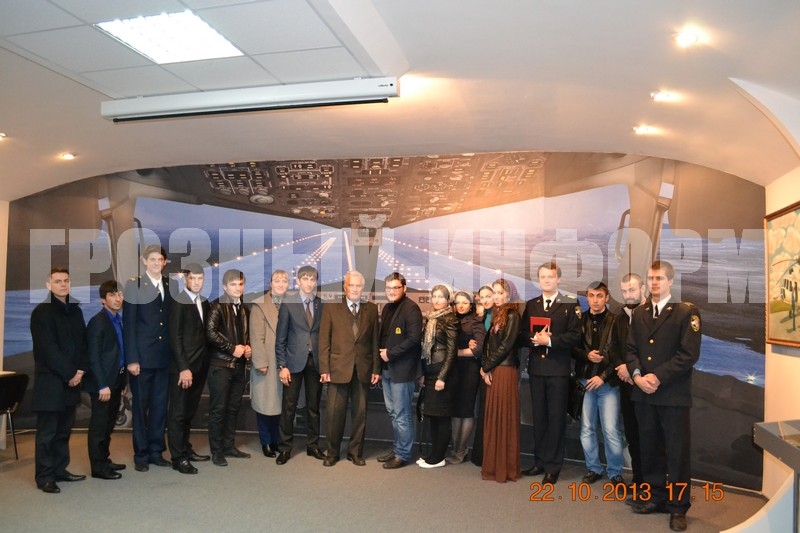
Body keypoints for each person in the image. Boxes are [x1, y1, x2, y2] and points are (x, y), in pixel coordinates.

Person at [626, 261, 701, 532]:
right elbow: (631, 350)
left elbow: (688, 355)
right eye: (651, 278)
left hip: (672, 395)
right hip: (644, 394)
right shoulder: (640, 312)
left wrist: (657, 376)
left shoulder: (686, 312)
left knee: (677, 454)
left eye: (659, 278)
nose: (654, 283)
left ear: (671, 281)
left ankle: (678, 507)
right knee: (649, 449)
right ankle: (655, 497)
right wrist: (637, 376)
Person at [520, 261, 582, 484]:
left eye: (550, 276)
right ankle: (539, 461)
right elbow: (522, 334)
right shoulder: (532, 304)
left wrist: (551, 341)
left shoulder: (570, 302)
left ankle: (553, 467)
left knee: (556, 419)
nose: (546, 280)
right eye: (543, 277)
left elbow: (575, 336)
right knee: (539, 417)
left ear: (558, 279)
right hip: (537, 369)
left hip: (558, 370)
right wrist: (535, 339)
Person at [30, 267, 88, 493]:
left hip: (72, 381)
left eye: (66, 281)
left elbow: (83, 343)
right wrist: (70, 374)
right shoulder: (41, 312)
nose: (63, 284)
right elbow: (48, 350)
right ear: (49, 285)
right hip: (51, 382)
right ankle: (45, 476)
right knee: (47, 433)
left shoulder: (76, 311)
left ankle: (60, 470)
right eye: (58, 281)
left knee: (64, 430)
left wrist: (80, 370)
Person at [319, 270, 380, 466]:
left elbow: (374, 342)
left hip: (363, 369)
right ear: (345, 287)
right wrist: (324, 369)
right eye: (351, 285)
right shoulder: (331, 307)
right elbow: (324, 341)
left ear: (363, 288)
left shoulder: (371, 309)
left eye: (358, 285)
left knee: (360, 414)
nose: (354, 289)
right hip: (337, 369)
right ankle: (332, 452)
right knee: (334, 414)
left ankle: (355, 452)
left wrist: (376, 369)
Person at [123, 244, 173, 472]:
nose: (156, 263)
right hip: (141, 360)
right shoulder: (134, 285)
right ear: (144, 261)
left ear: (164, 262)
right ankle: (141, 455)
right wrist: (132, 359)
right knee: (141, 409)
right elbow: (129, 324)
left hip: (163, 358)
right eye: (152, 259)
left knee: (160, 407)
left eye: (159, 259)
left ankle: (156, 451)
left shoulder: (170, 285)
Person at [573, 281, 624, 485]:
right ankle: (593, 468)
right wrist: (585, 355)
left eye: (599, 296)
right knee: (586, 428)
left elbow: (620, 354)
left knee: (611, 430)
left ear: (607, 297)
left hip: (608, 384)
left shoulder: (616, 321)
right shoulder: (579, 320)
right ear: (587, 297)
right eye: (591, 296)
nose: (595, 300)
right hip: (585, 381)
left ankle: (615, 472)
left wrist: (602, 377)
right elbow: (572, 348)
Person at [274, 266, 326, 464]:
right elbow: (280, 339)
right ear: (298, 281)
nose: (309, 283)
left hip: (315, 362)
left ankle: (313, 446)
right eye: (305, 279)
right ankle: (285, 448)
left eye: (313, 279)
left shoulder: (321, 304)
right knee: (289, 407)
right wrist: (282, 366)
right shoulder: (288, 303)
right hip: (293, 362)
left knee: (314, 407)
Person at [167, 263, 211, 475]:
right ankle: (178, 458)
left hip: (200, 367)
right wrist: (183, 368)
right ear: (185, 280)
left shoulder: (204, 301)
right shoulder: (178, 301)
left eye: (200, 278)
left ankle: (186, 448)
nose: (196, 282)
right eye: (192, 278)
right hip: (183, 369)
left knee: (189, 412)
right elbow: (174, 338)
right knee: (177, 413)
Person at [206, 268, 252, 466]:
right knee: (218, 409)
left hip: (239, 367)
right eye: (233, 284)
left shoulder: (244, 309)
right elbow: (210, 333)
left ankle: (228, 446)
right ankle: (217, 451)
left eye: (240, 284)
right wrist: (231, 348)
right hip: (220, 365)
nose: (237, 288)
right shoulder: (217, 306)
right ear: (225, 287)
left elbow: (245, 335)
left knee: (233, 408)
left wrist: (248, 348)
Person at [378, 272, 422, 470]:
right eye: (389, 288)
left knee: (402, 414)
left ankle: (403, 454)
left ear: (404, 288)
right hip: (387, 369)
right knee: (393, 413)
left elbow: (413, 339)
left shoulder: (411, 308)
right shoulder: (388, 307)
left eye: (396, 287)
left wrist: (390, 354)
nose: (392, 291)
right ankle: (398, 448)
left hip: (403, 371)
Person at [480, 279, 522, 482]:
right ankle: (493, 466)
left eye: (500, 293)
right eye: (494, 292)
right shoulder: (499, 314)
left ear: (509, 294)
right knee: (494, 417)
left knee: (503, 418)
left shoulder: (512, 315)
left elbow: (506, 346)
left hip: (505, 371)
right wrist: (487, 368)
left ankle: (505, 468)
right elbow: (490, 345)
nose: (496, 296)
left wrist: (486, 367)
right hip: (496, 369)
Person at [85, 280, 127, 480]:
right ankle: (98, 467)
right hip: (102, 384)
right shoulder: (98, 322)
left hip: (116, 380)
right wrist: (102, 384)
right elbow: (93, 356)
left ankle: (104, 459)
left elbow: (119, 352)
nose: (118, 299)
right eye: (112, 295)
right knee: (99, 426)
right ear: (103, 300)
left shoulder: (118, 319)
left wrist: (122, 381)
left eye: (119, 294)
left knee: (109, 424)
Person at [417, 284, 459, 468]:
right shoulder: (431, 318)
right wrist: (424, 374)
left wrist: (442, 377)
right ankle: (434, 454)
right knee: (432, 415)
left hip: (443, 374)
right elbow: (426, 349)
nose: (437, 300)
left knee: (441, 417)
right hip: (430, 372)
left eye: (441, 297)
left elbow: (451, 351)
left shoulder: (451, 319)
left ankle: (438, 457)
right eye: (434, 296)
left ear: (448, 300)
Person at [250, 269, 289, 459]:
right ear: (270, 284)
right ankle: (266, 441)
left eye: (284, 281)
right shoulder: (259, 305)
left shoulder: (291, 303)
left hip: (284, 363)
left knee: (279, 405)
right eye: (277, 281)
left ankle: (275, 440)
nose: (281, 284)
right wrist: (260, 362)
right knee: (265, 404)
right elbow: (256, 338)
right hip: (266, 363)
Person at [615, 272, 646, 488]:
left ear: (643, 289)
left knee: (649, 436)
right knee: (632, 435)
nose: (628, 294)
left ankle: (651, 483)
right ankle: (638, 479)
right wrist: (621, 366)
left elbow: (653, 350)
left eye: (632, 290)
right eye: (624, 291)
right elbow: (615, 346)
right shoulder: (621, 316)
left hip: (647, 386)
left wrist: (632, 369)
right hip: (626, 385)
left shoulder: (652, 315)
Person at [448, 289, 485, 464]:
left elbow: (478, 350)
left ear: (471, 304)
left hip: (469, 370)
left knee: (466, 411)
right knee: (455, 411)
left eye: (465, 302)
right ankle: (455, 449)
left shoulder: (475, 321)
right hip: (453, 370)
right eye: (458, 302)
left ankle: (461, 450)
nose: (461, 305)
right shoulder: (452, 319)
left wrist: (456, 353)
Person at [471, 284, 495, 467]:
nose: (485, 300)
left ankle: (492, 456)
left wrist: (488, 368)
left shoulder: (500, 317)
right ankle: (481, 456)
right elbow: (481, 345)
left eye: (489, 296)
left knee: (494, 414)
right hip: (482, 369)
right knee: (484, 413)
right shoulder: (482, 318)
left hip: (495, 371)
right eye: (482, 297)